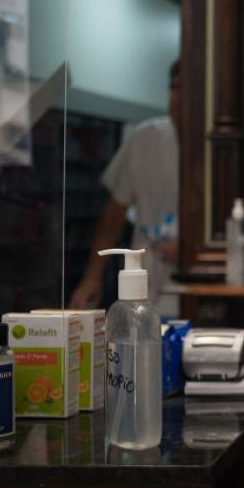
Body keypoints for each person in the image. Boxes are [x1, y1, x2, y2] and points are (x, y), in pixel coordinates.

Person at [71, 60, 180, 316]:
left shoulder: (219, 148)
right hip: (148, 272)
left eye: (186, 88)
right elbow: (114, 213)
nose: (177, 96)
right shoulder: (145, 139)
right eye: (173, 87)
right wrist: (92, 277)